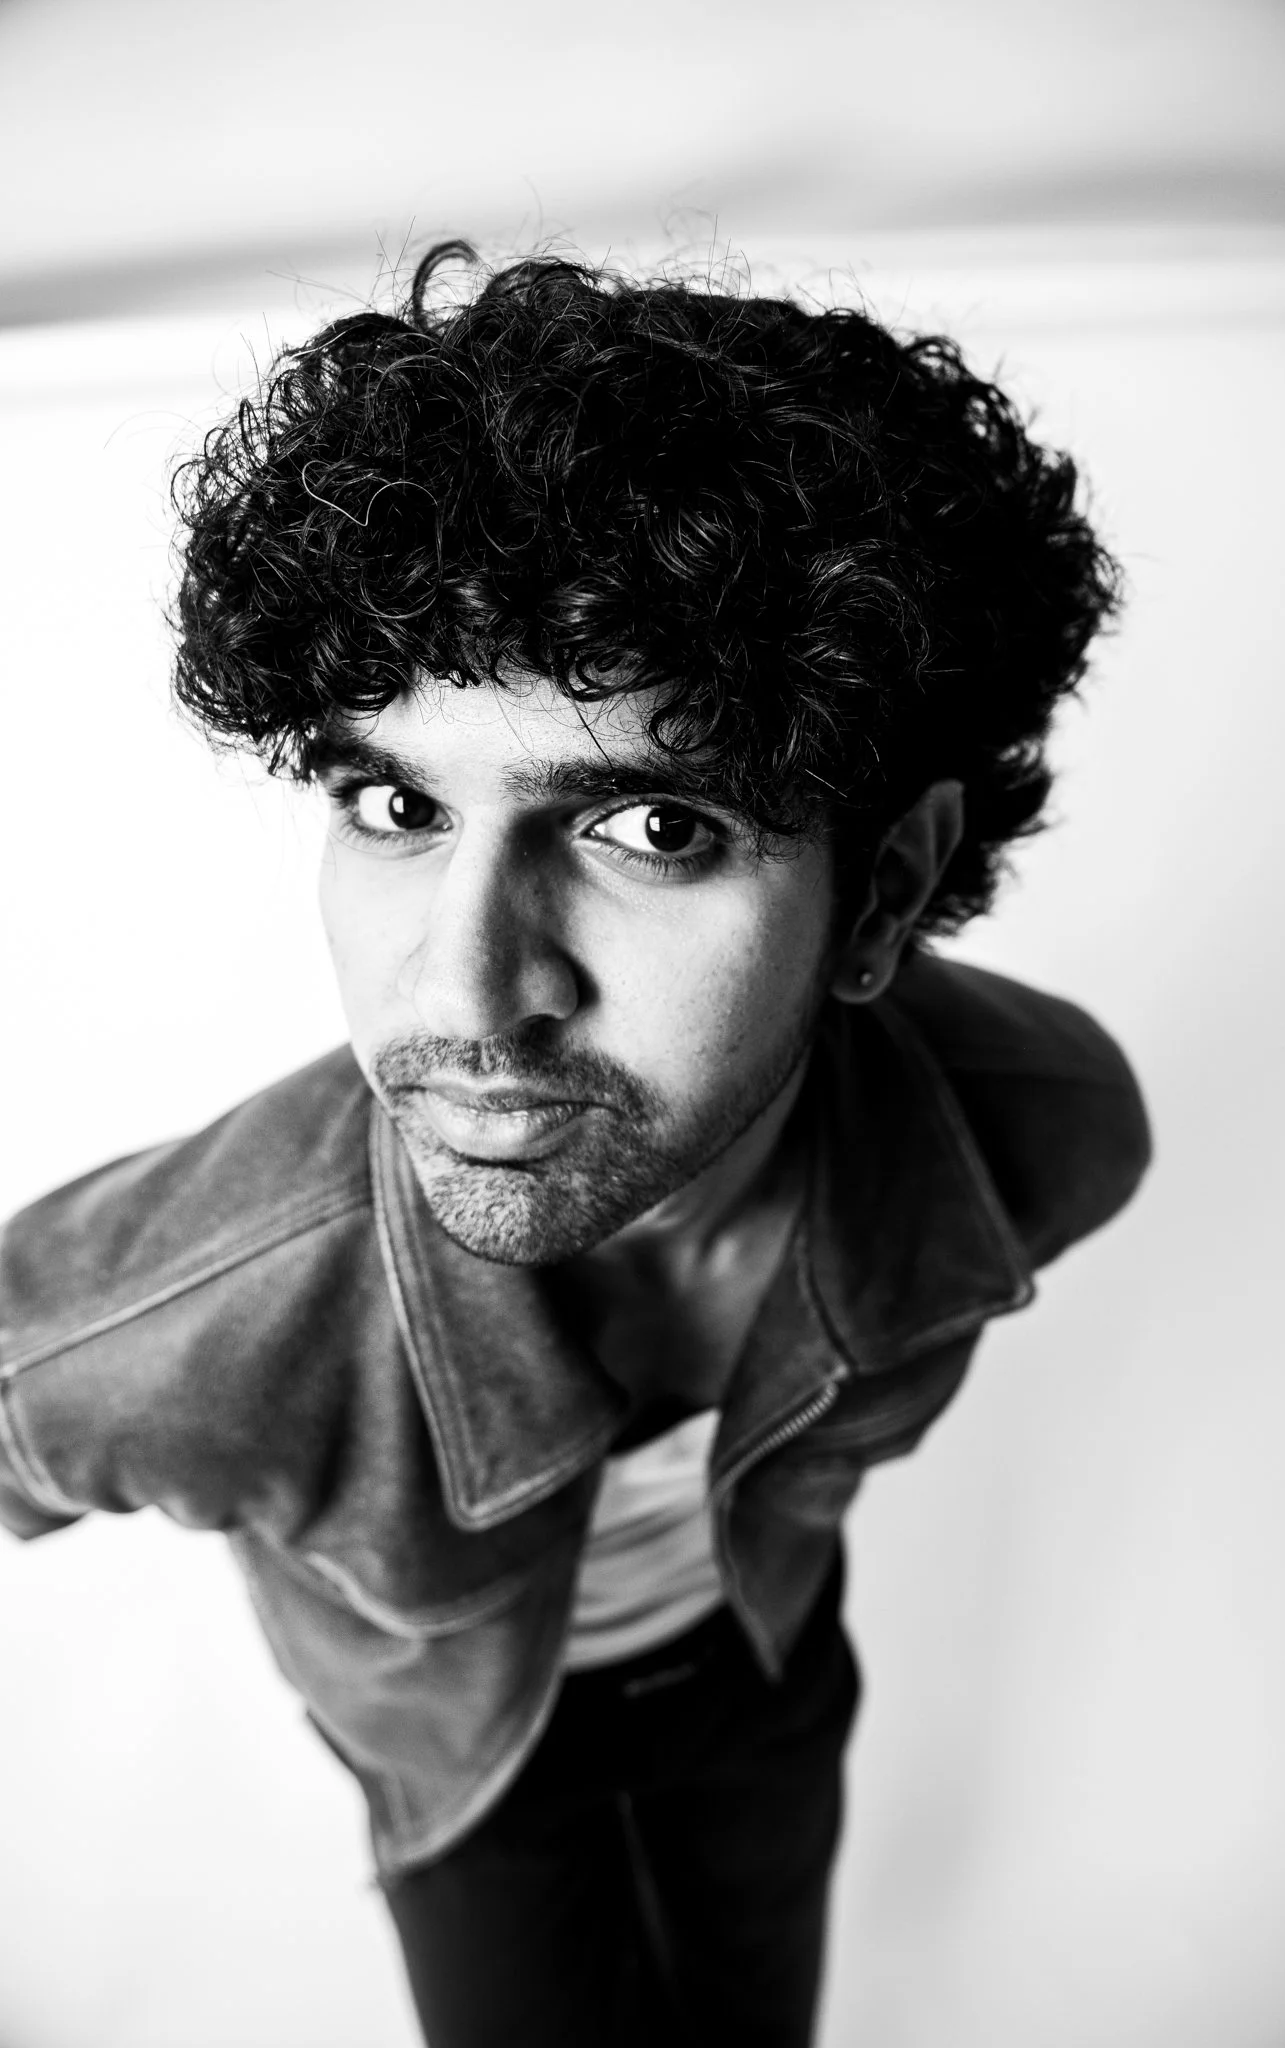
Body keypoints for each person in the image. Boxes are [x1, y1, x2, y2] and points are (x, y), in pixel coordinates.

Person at [0, 242, 1151, 2047]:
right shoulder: (179, 1318)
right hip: (462, 1770)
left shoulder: (1039, 1141)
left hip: (766, 1670)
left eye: (651, 825)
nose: (469, 988)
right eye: (394, 804)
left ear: (889, 890)